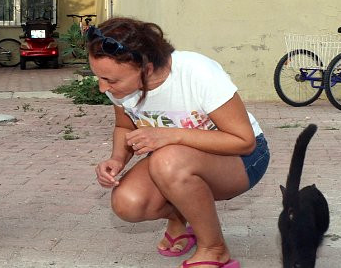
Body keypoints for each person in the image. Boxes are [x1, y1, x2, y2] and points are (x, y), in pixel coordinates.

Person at [90, 18, 269, 268]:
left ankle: (214, 249)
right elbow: (124, 126)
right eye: (99, 77)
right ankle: (181, 215)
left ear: (147, 69)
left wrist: (170, 134)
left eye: (111, 81)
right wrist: (117, 159)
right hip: (177, 161)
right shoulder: (118, 84)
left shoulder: (198, 72)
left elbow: (244, 142)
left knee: (167, 160)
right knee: (127, 203)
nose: (102, 88)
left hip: (244, 160)